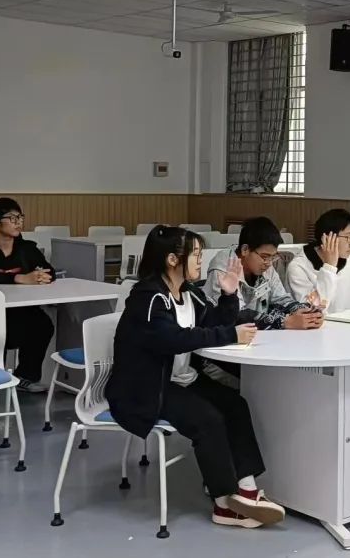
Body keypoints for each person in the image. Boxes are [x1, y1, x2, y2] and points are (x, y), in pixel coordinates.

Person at [107, 226, 284, 529]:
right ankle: (224, 504)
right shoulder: (147, 298)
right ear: (173, 259)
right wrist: (231, 334)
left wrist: (229, 295)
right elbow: (172, 339)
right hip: (146, 389)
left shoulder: (189, 293)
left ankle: (247, 489)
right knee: (208, 419)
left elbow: (212, 323)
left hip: (180, 379)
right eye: (197, 255)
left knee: (234, 405)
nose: (201, 260)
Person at [0, 198, 56, 392]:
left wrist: (42, 276)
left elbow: (49, 270)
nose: (19, 222)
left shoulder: (27, 248)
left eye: (20, 217)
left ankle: (25, 377)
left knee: (42, 324)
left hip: (19, 310)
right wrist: (20, 278)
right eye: (12, 218)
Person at [203, 216, 319, 330]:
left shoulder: (266, 266)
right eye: (264, 257)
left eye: (273, 257)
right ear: (245, 250)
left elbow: (280, 298)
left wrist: (304, 312)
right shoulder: (223, 269)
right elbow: (237, 314)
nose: (269, 263)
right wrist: (284, 322)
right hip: (228, 337)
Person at [287, 208, 350, 313]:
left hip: (349, 323)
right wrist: (329, 267)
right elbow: (313, 309)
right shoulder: (298, 267)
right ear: (327, 238)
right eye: (348, 237)